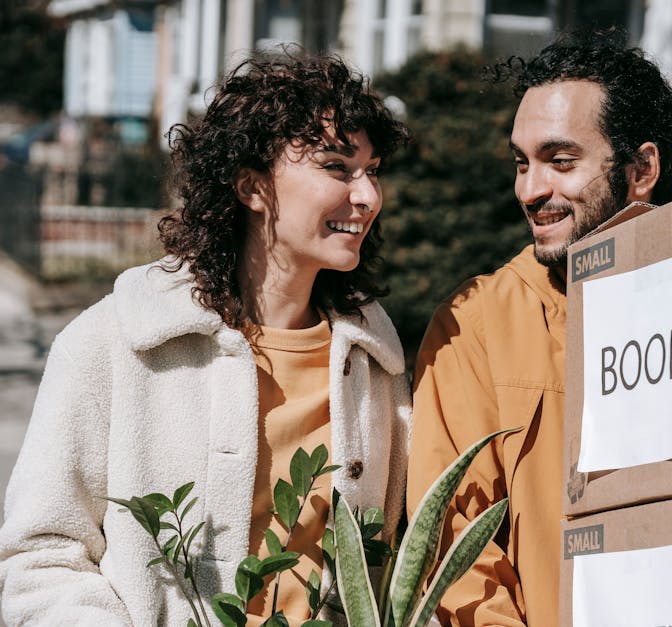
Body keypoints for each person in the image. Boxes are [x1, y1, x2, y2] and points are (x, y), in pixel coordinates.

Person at [0, 53, 411, 625]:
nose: (367, 196)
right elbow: (40, 555)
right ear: (250, 186)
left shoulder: (377, 362)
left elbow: (402, 563)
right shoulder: (113, 342)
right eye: (337, 167)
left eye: (373, 169)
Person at [407, 29, 672, 626]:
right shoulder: (476, 324)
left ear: (641, 169)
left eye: (560, 162)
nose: (530, 190)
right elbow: (453, 556)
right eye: (521, 163)